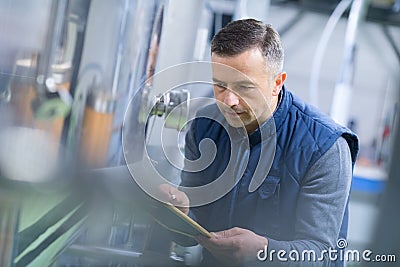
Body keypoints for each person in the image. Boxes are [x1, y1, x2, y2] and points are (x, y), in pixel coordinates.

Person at [162, 19, 359, 267]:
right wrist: (180, 214)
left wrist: (266, 252)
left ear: (277, 83)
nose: (229, 101)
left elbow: (322, 256)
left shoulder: (325, 148)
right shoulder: (204, 128)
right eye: (220, 86)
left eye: (244, 87)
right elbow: (197, 225)